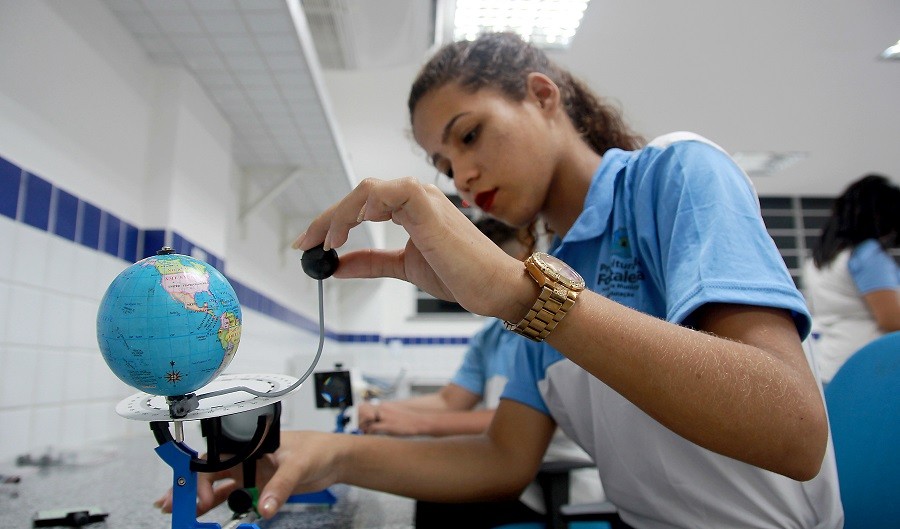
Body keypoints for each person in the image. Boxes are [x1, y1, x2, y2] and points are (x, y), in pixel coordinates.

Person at [158, 32, 841, 528]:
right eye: (442, 162)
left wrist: (521, 294)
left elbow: (794, 428)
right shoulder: (548, 270)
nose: (461, 175)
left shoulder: (674, 174)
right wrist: (327, 452)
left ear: (542, 96)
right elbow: (502, 457)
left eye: (470, 135)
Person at [358, 217, 603, 528]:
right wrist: (383, 411)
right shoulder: (491, 335)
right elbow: (450, 400)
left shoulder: (546, 330)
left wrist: (415, 423)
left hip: (552, 483)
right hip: (513, 471)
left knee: (435, 506)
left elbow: (510, 423)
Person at [802, 174, 900, 385]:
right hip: (868, 363)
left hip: (828, 362)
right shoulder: (868, 255)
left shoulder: (821, 258)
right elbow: (891, 320)